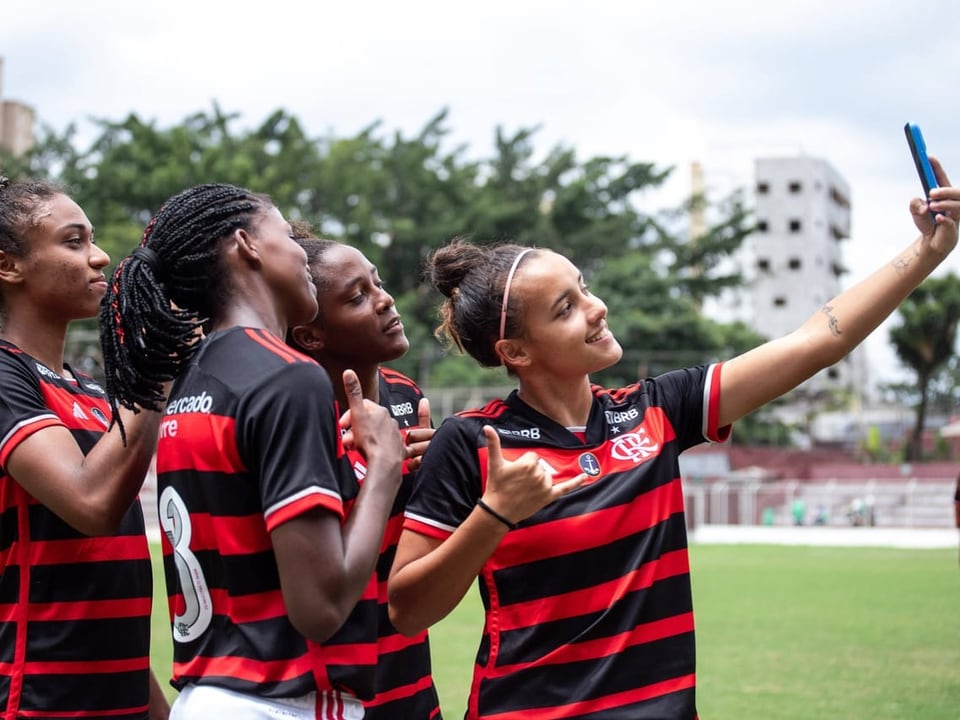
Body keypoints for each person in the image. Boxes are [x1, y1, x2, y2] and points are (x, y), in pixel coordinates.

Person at [388, 159, 960, 719]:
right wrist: (495, 514)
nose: (596, 308)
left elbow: (815, 342)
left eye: (583, 289)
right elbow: (408, 610)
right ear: (516, 352)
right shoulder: (471, 442)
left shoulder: (656, 410)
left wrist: (927, 253)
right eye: (566, 308)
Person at [98, 183, 405, 720]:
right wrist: (383, 467)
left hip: (210, 696)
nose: (300, 252)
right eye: (287, 234)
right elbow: (321, 608)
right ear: (248, 245)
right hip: (282, 701)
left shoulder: (197, 378)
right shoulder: (287, 376)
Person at [0, 176, 169, 719]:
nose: (99, 257)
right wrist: (155, 362)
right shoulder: (5, 375)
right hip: (38, 704)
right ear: (9, 266)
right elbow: (92, 505)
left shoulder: (93, 392)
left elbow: (98, 580)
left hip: (120, 702)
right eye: (74, 241)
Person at [287, 232, 441, 719]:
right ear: (311, 335)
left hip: (411, 681)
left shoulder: (404, 395)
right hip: (328, 690)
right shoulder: (292, 416)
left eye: (376, 283)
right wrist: (381, 470)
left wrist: (441, 470)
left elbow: (420, 547)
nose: (385, 299)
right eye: (357, 296)